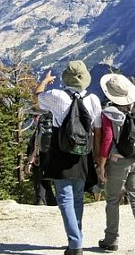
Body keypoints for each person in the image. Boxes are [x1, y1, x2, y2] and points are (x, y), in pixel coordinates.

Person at [33, 60, 102, 255]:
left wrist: (44, 81)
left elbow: (35, 98)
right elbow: (97, 131)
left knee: (64, 198)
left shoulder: (57, 96)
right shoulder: (93, 100)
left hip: (60, 152)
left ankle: (75, 243)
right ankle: (76, 237)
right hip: (83, 153)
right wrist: (96, 157)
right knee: (78, 198)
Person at [97, 73, 135, 252]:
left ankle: (111, 240)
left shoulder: (108, 113)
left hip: (118, 161)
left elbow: (107, 140)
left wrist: (102, 165)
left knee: (113, 200)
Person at [25, 112, 57, 206]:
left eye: (35, 117)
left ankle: (41, 200)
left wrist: (30, 162)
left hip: (40, 158)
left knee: (40, 179)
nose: (34, 119)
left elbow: (36, 145)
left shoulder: (41, 127)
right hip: (55, 157)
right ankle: (52, 201)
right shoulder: (54, 124)